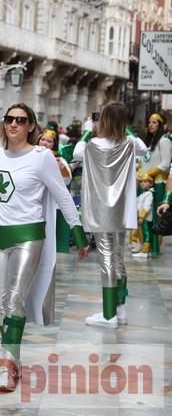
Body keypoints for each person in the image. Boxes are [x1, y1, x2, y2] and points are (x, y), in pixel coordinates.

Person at [0, 103, 88, 392]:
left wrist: (79, 232)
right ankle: (13, 358)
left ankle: (6, 365)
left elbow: (61, 196)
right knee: (1, 301)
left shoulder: (41, 158)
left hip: (29, 235)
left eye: (20, 120)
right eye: (9, 119)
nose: (13, 124)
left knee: (13, 299)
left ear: (31, 126)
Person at [73, 103, 147, 330]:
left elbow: (76, 152)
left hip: (102, 211)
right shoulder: (130, 143)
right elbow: (144, 148)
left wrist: (89, 129)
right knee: (118, 258)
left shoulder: (93, 144)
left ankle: (108, 315)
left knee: (106, 258)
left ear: (102, 120)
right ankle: (120, 309)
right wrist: (127, 130)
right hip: (123, 211)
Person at [139, 112, 171, 256]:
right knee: (145, 216)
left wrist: (150, 173)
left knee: (156, 217)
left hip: (158, 183)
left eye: (154, 122)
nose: (150, 125)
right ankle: (145, 244)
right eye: (149, 122)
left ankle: (154, 248)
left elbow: (165, 164)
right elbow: (145, 160)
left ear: (161, 125)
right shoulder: (149, 141)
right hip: (146, 183)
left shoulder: (164, 140)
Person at [38, 128, 73, 253]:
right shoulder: (30, 155)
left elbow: (67, 180)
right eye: (42, 139)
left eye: (49, 141)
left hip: (51, 202)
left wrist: (61, 168)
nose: (45, 143)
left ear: (54, 144)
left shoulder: (59, 159)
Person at [131, 174, 154, 259]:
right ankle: (144, 250)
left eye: (145, 181)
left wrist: (141, 217)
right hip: (141, 219)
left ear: (151, 183)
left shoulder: (149, 194)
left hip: (146, 219)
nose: (142, 183)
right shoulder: (143, 194)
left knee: (146, 234)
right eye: (141, 181)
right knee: (142, 235)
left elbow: (146, 206)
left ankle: (145, 252)